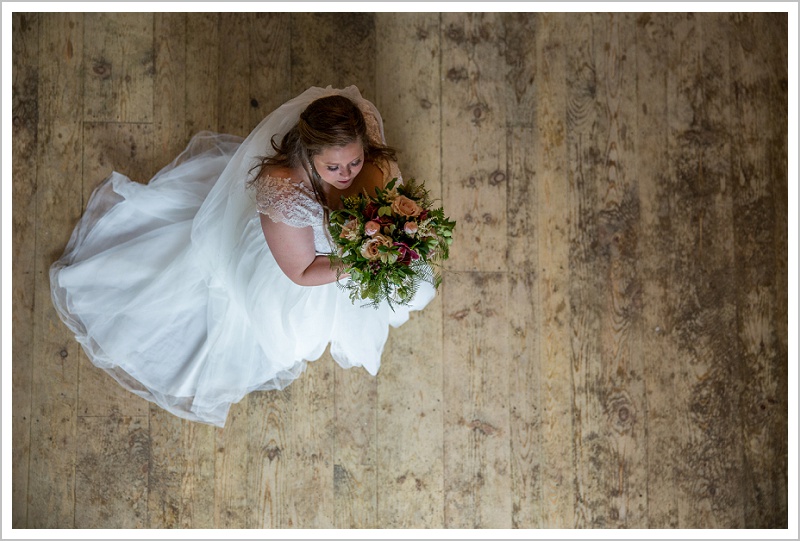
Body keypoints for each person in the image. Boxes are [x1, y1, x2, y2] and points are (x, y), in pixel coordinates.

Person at [49, 86, 435, 427]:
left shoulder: (358, 125)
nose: (347, 173)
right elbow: (300, 272)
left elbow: (377, 173)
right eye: (332, 167)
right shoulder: (284, 195)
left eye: (354, 161)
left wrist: (391, 223)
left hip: (347, 250)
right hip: (301, 261)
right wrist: (365, 260)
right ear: (308, 153)